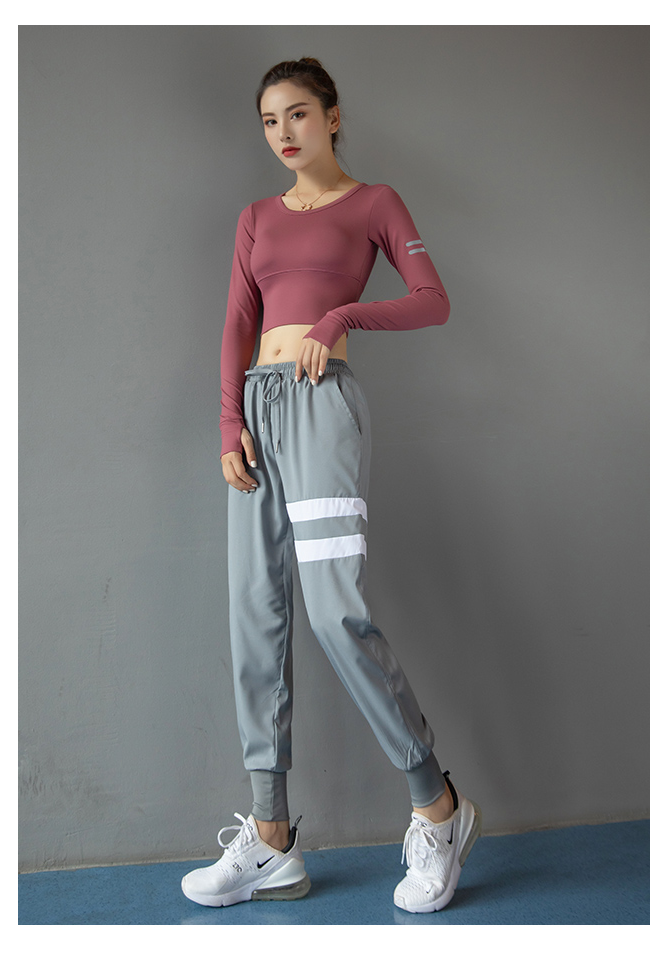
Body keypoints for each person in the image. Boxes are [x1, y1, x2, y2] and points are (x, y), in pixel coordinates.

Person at [181, 57, 481, 915]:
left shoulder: (375, 203)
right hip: (258, 412)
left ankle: (438, 806)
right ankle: (272, 837)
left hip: (322, 409)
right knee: (254, 614)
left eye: (299, 114)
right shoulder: (255, 217)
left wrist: (343, 315)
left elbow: (432, 299)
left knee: (331, 612)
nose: (284, 132)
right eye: (270, 120)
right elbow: (238, 321)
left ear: (334, 116)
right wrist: (228, 423)